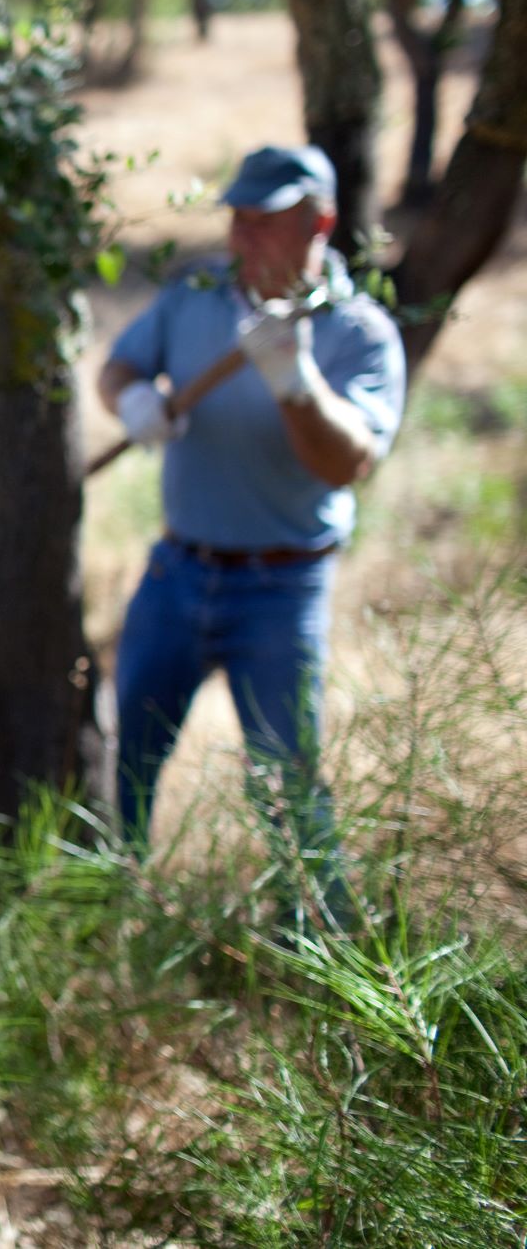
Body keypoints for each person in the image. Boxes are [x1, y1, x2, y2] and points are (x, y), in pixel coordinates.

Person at [97, 144, 406, 930]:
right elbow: (119, 368)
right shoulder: (195, 296)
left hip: (282, 587)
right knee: (127, 753)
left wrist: (297, 385)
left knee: (287, 781)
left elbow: (347, 463)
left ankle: (314, 941)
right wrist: (133, 399)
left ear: (321, 223)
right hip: (178, 571)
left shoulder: (359, 333)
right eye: (239, 218)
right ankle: (107, 912)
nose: (245, 238)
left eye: (267, 222)